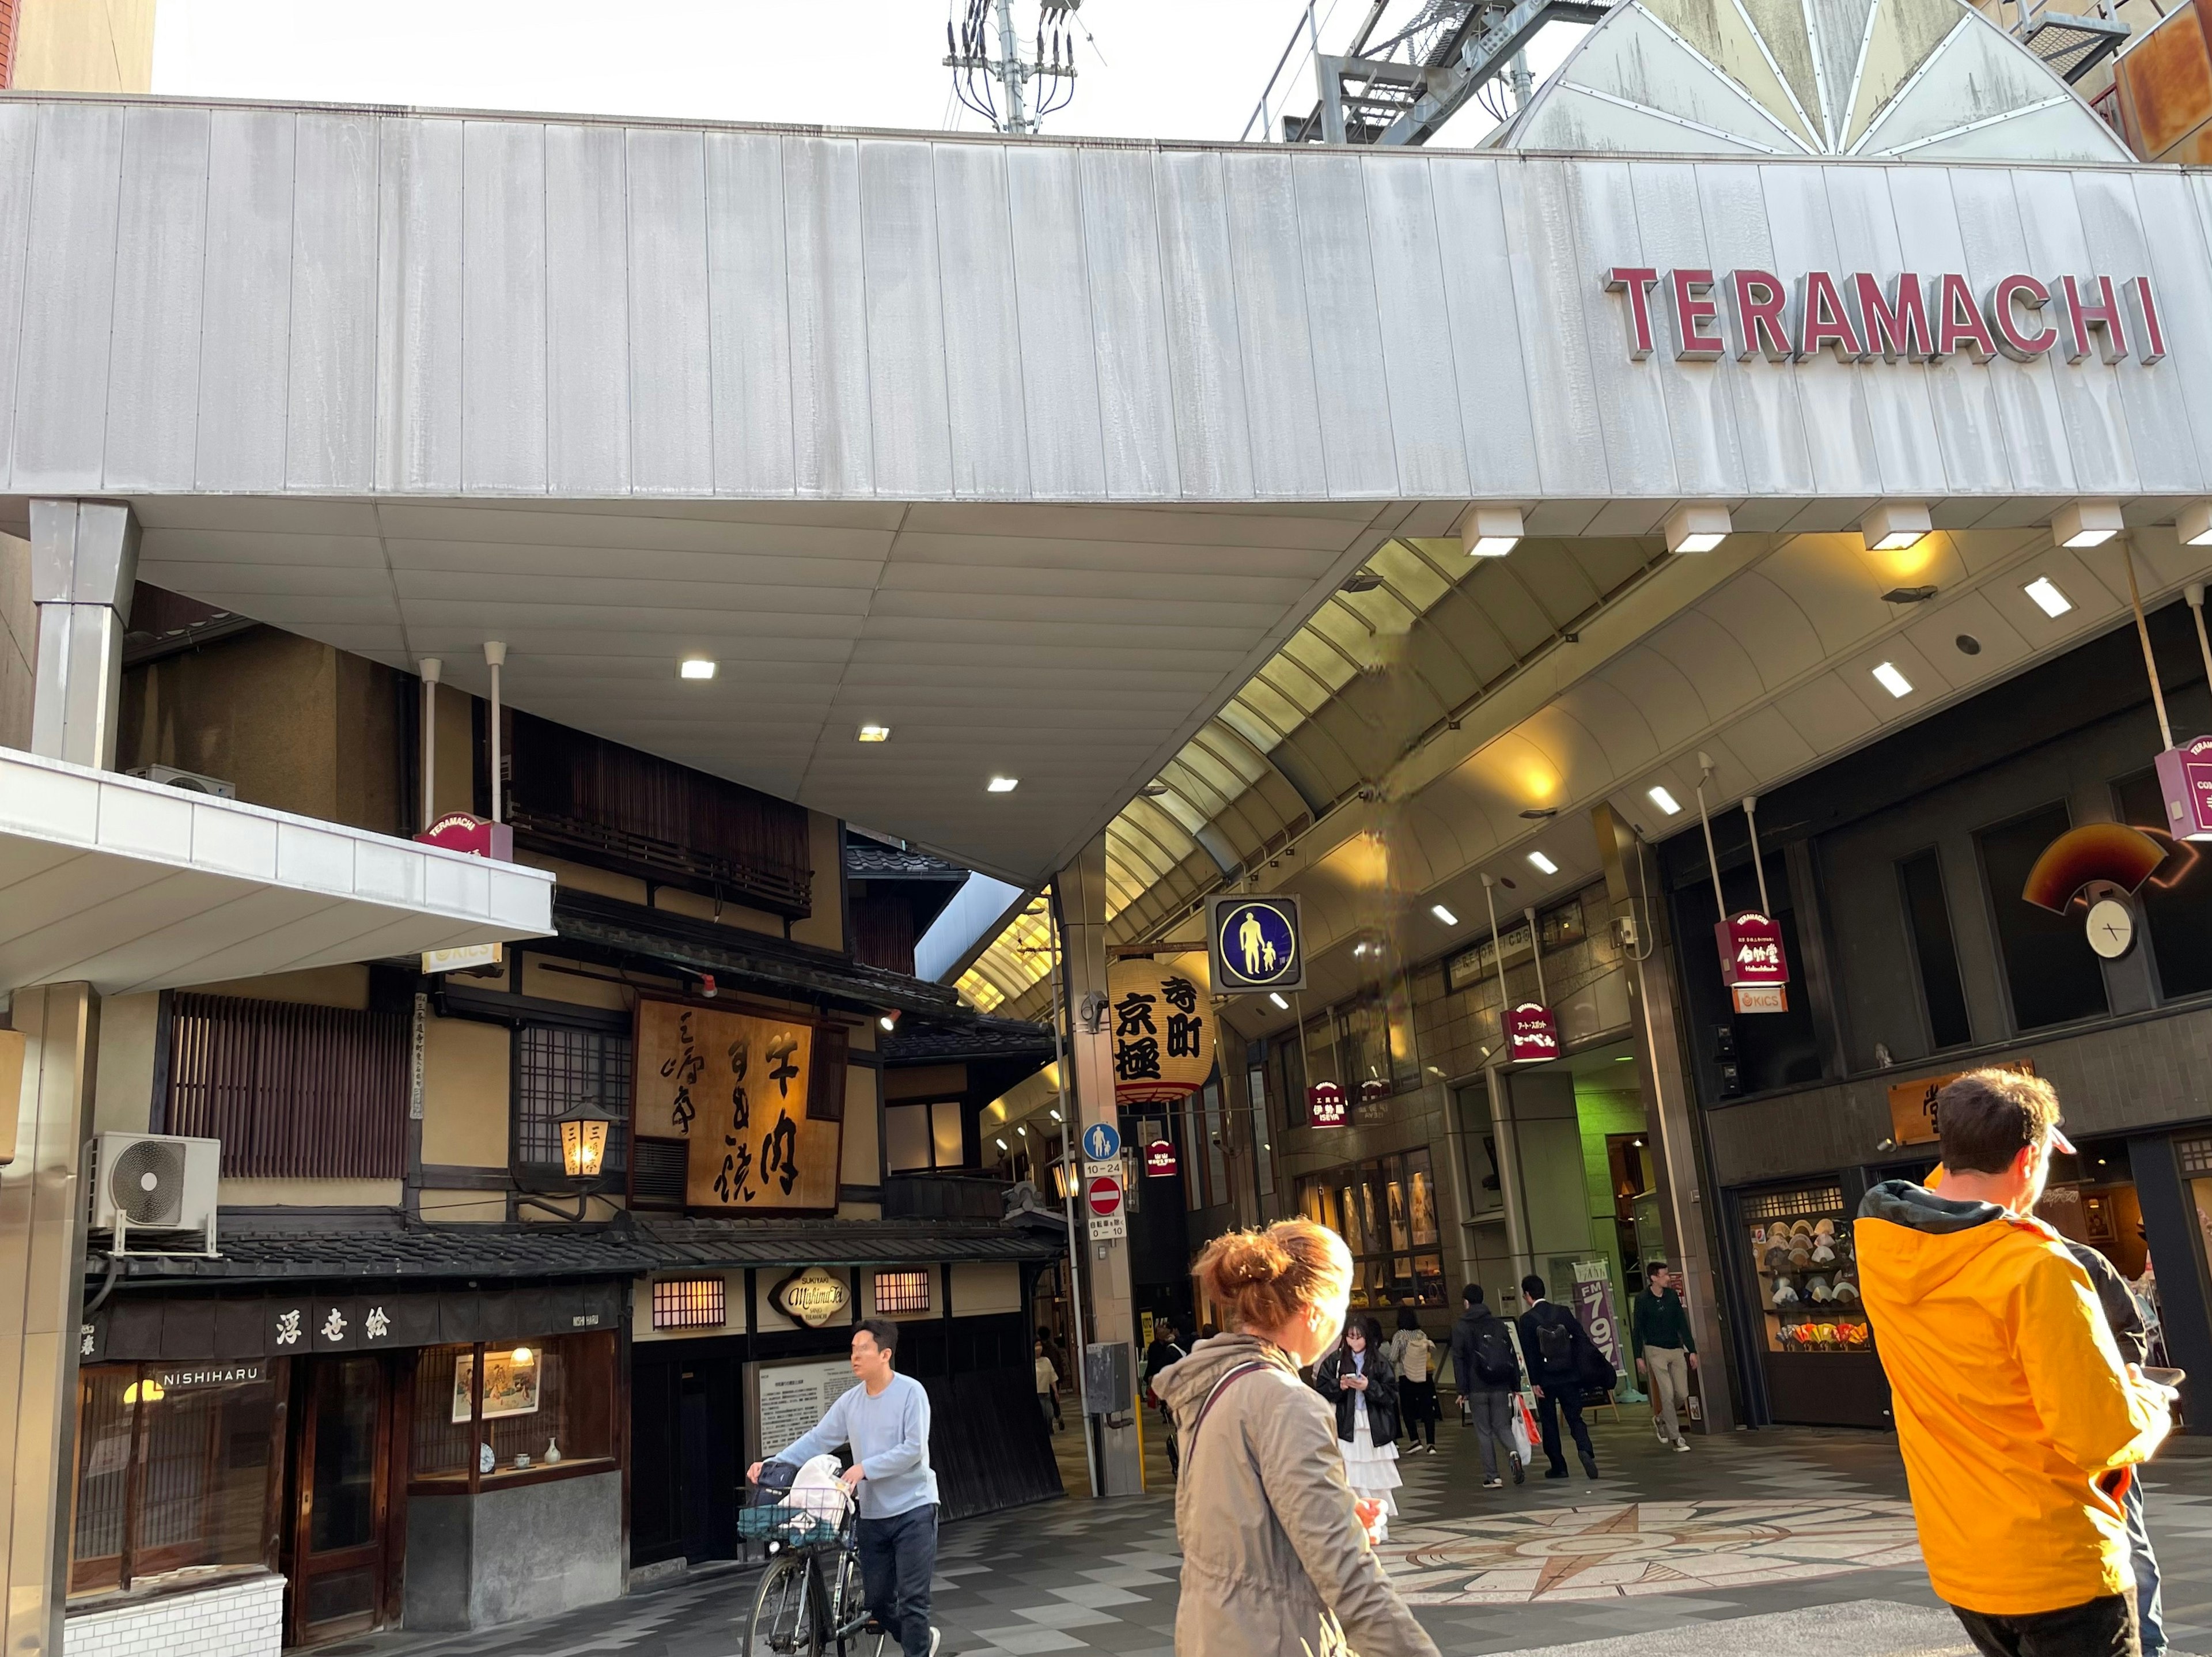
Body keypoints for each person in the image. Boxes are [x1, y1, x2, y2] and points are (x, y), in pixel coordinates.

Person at [1857, 1070, 2172, 1657]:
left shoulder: (1886, 1243)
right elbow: (2099, 1433)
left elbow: (1953, 1183)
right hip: (2058, 1566)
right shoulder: (2037, 1267)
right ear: (2029, 1160)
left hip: (1963, 1561)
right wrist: (2151, 1400)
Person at [1154, 1220, 1439, 1657]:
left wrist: (1335, 1516)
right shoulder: (1287, 1403)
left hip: (1211, 1634)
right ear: (1315, 1309)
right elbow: (1348, 1576)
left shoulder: (1216, 1387)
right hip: (1277, 1637)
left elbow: (1239, 1529)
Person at [749, 1321, 941, 1657]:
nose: (854, 1356)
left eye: (862, 1349)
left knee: (913, 1601)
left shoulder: (912, 1392)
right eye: (852, 1350)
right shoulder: (851, 1401)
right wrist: (772, 1462)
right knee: (879, 1605)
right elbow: (818, 1439)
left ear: (885, 1354)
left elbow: (913, 1449)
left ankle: (918, 1648)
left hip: (915, 1509)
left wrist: (866, 1467)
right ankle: (920, 1639)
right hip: (873, 1515)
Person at [2064, 1238, 2168, 1657]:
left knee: (2131, 1541)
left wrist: (2112, 1383)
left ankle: (2150, 1644)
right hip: (2035, 1440)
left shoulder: (2082, 1260)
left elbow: (2130, 1335)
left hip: (2102, 1433)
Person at [1315, 1316, 1403, 1541]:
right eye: (1350, 1337)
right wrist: (1341, 1386)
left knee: (1376, 1476)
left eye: (1359, 1337)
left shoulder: (1380, 1362)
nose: (1354, 1342)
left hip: (1373, 1427)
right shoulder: (1336, 1361)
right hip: (1348, 1425)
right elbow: (1322, 1388)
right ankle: (1355, 1524)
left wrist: (1368, 1386)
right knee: (1350, 1476)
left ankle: (1378, 1524)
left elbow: (1391, 1393)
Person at [1518, 1273, 1604, 1480]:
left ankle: (1559, 1466)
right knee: (1575, 1416)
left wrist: (1535, 1381)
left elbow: (1529, 1353)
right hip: (1569, 1375)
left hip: (1546, 1380)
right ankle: (1585, 1448)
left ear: (1527, 1295)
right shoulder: (1563, 1312)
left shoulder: (1527, 1320)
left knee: (1549, 1422)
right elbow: (1581, 1338)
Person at [1449, 1285, 1523, 1489]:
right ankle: (1513, 1452)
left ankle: (1493, 1477)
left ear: (1466, 1302)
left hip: (1477, 1387)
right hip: (1500, 1385)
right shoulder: (1498, 1325)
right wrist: (1515, 1385)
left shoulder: (1461, 1327)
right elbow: (1511, 1355)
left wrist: (1462, 1391)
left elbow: (1459, 1360)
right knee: (1502, 1426)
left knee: (1484, 1432)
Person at [1632, 1260, 1698, 1452]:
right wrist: (1638, 1356)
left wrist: (1691, 1350)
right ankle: (1676, 1438)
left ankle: (1661, 1419)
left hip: (1676, 1349)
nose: (1668, 1278)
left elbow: (1682, 1323)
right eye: (1665, 1275)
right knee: (1667, 1394)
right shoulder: (1643, 1299)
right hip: (1655, 1350)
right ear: (1654, 1278)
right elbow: (1638, 1329)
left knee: (1682, 1393)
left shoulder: (1671, 1296)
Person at [1388, 1308, 1438, 1455]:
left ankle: (1415, 1441)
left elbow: (1392, 1357)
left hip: (1406, 1376)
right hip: (1424, 1375)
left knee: (1407, 1409)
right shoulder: (1421, 1334)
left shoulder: (1399, 1336)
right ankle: (1431, 1444)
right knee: (1428, 1410)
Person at [1144, 1321, 1190, 1476]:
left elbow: (1159, 1368)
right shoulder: (1175, 1347)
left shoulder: (1171, 1350)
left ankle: (1182, 1456)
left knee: (1181, 1426)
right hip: (1182, 1393)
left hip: (1176, 1393)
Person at [1035, 1334, 1062, 1433]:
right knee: (1042, 1414)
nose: (1038, 1348)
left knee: (1050, 1413)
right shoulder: (1031, 1363)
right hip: (1037, 1393)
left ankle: (1050, 1428)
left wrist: (1056, 1392)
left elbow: (1052, 1377)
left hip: (1046, 1392)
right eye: (1036, 1346)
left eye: (1040, 1345)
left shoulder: (1046, 1361)